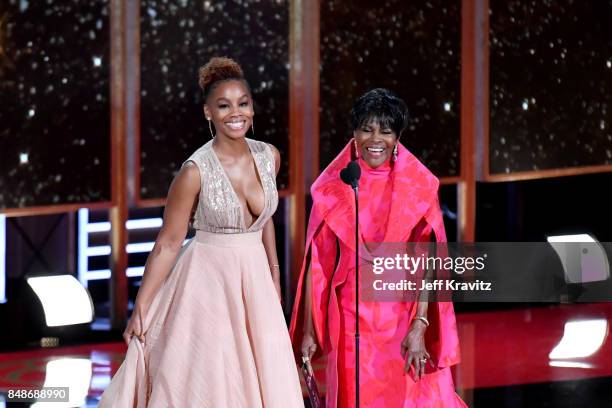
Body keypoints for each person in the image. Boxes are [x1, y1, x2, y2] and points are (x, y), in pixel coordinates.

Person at [100, 57, 304, 407]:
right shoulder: (194, 171)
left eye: (242, 103)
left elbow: (266, 218)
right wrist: (141, 308)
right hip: (207, 282)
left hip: (256, 281)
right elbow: (167, 244)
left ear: (252, 108)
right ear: (208, 113)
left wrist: (273, 273)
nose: (235, 113)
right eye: (224, 106)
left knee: (265, 373)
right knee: (214, 378)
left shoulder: (270, 156)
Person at [290, 88, 466, 407]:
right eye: (367, 129)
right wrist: (309, 331)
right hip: (349, 319)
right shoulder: (333, 185)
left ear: (397, 137)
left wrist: (420, 323)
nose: (376, 139)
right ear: (354, 133)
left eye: (386, 131)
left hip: (403, 313)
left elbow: (430, 262)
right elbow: (318, 262)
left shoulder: (419, 185)